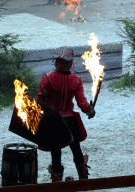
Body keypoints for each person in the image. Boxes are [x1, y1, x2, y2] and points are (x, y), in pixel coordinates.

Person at [35, 46, 96, 182]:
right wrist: (89, 111)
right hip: (70, 121)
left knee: (56, 151)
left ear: (57, 61)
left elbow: (40, 99)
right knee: (76, 148)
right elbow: (82, 103)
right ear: (71, 62)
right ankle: (83, 176)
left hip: (53, 121)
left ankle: (57, 179)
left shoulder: (48, 78)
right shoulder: (76, 80)